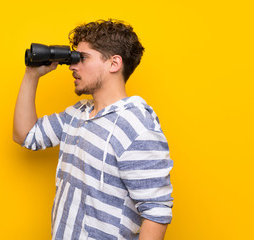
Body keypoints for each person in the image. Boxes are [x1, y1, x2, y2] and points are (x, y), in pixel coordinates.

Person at [13, 19, 173, 240]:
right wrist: (32, 75)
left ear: (114, 64)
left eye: (83, 58)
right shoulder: (78, 114)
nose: (72, 66)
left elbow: (157, 213)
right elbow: (26, 135)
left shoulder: (137, 128)